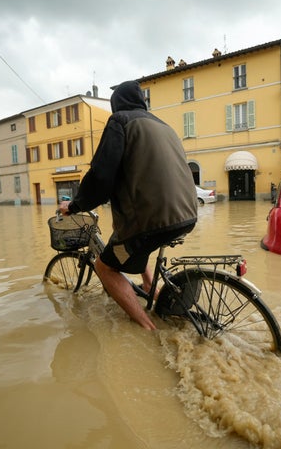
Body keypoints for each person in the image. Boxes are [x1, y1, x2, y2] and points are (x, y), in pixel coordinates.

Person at [59, 80, 198, 331]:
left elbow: (101, 174)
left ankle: (147, 328)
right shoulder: (164, 126)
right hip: (187, 212)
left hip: (152, 218)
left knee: (105, 266)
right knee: (133, 240)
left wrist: (75, 205)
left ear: (116, 104)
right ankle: (149, 286)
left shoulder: (120, 121)